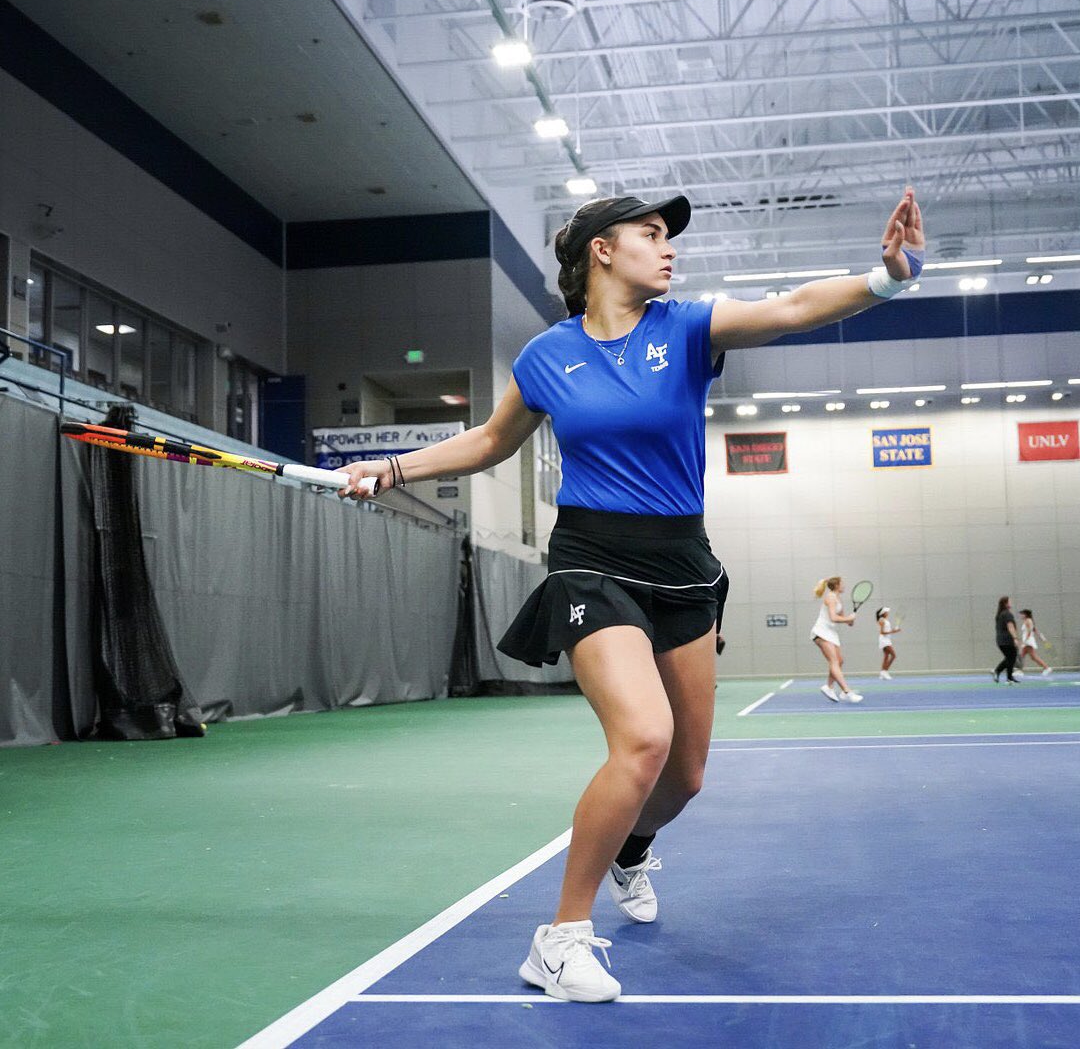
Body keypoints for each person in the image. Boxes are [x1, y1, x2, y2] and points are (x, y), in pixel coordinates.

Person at [336, 187, 925, 1003]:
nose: (668, 246)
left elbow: (790, 308)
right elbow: (489, 441)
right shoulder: (547, 356)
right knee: (643, 739)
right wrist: (392, 467)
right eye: (649, 233)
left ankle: (631, 845)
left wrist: (888, 278)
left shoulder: (685, 330)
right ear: (601, 252)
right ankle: (560, 939)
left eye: (667, 235)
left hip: (682, 563)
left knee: (681, 777)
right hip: (590, 560)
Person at [811, 577, 861, 703]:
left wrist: (850, 620)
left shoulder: (838, 599)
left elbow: (843, 619)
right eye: (842, 583)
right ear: (837, 585)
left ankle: (829, 687)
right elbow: (833, 617)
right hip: (821, 632)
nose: (844, 585)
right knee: (834, 661)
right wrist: (848, 618)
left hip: (831, 632)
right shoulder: (831, 597)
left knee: (839, 661)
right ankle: (847, 691)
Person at [993, 596, 1022, 683]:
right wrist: (1015, 638)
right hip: (1007, 640)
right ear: (1006, 604)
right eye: (1009, 601)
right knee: (1011, 657)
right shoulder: (1007, 614)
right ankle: (1001, 673)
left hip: (1000, 640)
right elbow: (1010, 627)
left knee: (1010, 657)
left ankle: (1007, 676)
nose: (1011, 603)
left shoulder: (1000, 614)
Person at [1018, 608, 1052, 675]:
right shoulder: (1027, 621)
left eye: (1022, 614)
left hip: (1028, 641)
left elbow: (1030, 631)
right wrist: (1042, 638)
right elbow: (1035, 630)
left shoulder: (1028, 620)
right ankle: (1020, 671)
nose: (1020, 615)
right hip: (1027, 641)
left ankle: (1046, 668)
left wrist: (1025, 641)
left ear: (1025, 615)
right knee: (1026, 656)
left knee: (1030, 656)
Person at [876, 606, 901, 679]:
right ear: (883, 613)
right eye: (886, 612)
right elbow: (882, 632)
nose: (888, 613)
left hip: (887, 639)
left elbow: (887, 630)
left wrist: (894, 630)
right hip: (884, 640)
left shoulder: (885, 620)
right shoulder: (882, 620)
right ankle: (885, 672)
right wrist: (894, 631)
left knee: (886, 656)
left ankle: (882, 673)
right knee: (893, 655)